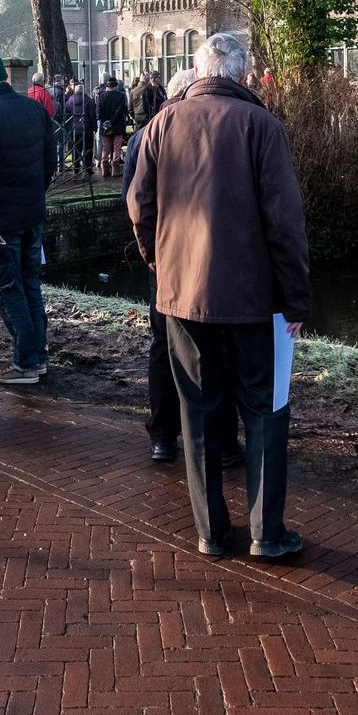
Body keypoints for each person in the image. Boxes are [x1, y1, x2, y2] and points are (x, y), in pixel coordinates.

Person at [129, 33, 311, 560]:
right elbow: (285, 223)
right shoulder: (261, 125)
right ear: (244, 72)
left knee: (199, 409)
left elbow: (140, 206)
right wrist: (296, 298)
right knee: (265, 409)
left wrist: (161, 264)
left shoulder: (162, 123)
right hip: (255, 299)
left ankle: (211, 532)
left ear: (197, 69)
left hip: (183, 296)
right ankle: (266, 532)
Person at [121, 68, 243, 466]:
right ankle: (221, 442)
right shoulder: (216, 125)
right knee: (219, 347)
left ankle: (162, 436)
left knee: (165, 347)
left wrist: (152, 254)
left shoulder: (146, 134)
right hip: (210, 259)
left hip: (166, 261)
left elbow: (134, 201)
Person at [0, 45, 57, 386]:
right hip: (33, 213)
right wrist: (34, 195)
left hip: (0, 222)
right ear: (3, 77)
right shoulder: (36, 110)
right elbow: (51, 163)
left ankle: (25, 362)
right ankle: (39, 357)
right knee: (31, 284)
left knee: (8, 289)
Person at [95, 74, 131, 177]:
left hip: (105, 125)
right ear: (115, 86)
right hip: (118, 125)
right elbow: (121, 110)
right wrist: (112, 120)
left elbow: (98, 111)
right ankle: (115, 168)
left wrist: (105, 121)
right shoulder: (121, 96)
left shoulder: (101, 96)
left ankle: (104, 168)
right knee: (117, 146)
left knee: (105, 147)